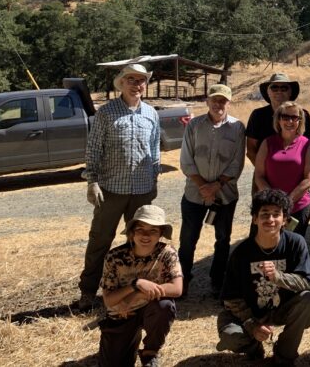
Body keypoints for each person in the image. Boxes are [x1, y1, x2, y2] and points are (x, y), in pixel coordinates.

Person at [80, 63, 161, 310]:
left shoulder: (151, 113)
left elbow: (155, 149)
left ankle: (136, 290)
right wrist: (92, 181)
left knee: (141, 242)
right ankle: (87, 291)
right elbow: (93, 149)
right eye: (131, 80)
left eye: (141, 80)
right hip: (111, 189)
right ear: (122, 83)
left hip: (142, 190)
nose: (137, 85)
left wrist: (154, 179)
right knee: (100, 240)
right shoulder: (106, 113)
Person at [216, 189, 310, 365]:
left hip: (281, 309)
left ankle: (284, 354)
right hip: (250, 312)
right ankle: (254, 349)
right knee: (230, 336)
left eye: (276, 214)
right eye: (264, 214)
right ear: (254, 219)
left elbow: (306, 283)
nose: (270, 220)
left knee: (308, 301)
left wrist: (279, 277)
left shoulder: (296, 243)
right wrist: (252, 325)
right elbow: (231, 299)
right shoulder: (241, 253)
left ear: (285, 220)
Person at [178, 84, 246, 297]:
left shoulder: (237, 127)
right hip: (194, 194)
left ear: (229, 102)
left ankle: (218, 280)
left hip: (224, 195)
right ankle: (182, 280)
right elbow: (186, 160)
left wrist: (216, 186)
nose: (219, 104)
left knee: (223, 239)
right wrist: (202, 186)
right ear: (207, 101)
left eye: (223, 100)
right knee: (188, 240)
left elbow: (237, 163)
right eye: (215, 100)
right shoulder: (194, 125)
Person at [98, 205, 182, 367]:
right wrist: (135, 284)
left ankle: (150, 351)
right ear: (131, 232)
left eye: (153, 230)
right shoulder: (114, 256)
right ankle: (129, 339)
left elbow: (177, 289)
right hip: (122, 312)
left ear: (161, 234)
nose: (145, 235)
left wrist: (137, 294)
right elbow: (109, 301)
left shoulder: (167, 252)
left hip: (148, 307)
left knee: (164, 306)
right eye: (140, 229)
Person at [254, 101, 310, 237]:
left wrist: (287, 202)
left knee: (293, 247)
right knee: (269, 244)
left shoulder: (306, 144)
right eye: (285, 117)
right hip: (270, 207)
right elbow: (259, 175)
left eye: (294, 118)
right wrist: (273, 201)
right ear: (278, 119)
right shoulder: (267, 143)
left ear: (300, 121)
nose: (289, 121)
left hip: (298, 207)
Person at [245, 73, 310, 188]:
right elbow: (251, 149)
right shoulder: (258, 115)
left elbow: (307, 147)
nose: (279, 91)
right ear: (268, 92)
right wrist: (267, 173)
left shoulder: (302, 114)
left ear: (290, 92)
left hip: (295, 178)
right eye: (274, 87)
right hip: (263, 178)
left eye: (284, 88)